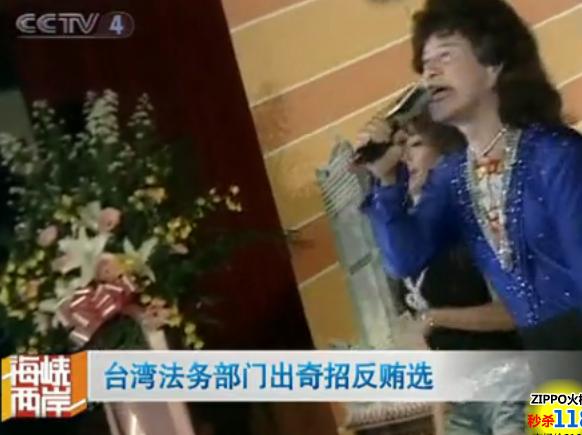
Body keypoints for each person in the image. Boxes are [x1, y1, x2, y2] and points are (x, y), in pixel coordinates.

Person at [358, 0, 582, 350]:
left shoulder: (555, 154)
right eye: (425, 65)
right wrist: (386, 180)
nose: (430, 73)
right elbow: (404, 260)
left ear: (493, 65)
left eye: (445, 56)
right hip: (547, 356)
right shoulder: (453, 177)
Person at [359, 111, 525, 434]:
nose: (404, 156)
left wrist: (437, 318)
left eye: (414, 144)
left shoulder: (478, 216)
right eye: (399, 147)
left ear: (446, 149)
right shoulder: (415, 241)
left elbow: (516, 311)